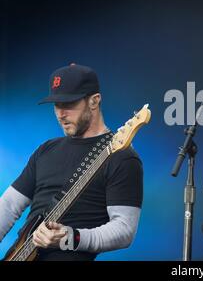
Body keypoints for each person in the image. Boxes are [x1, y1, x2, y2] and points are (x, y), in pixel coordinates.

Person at [0, 64, 143, 261]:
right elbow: (8, 206)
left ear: (94, 101)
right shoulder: (46, 150)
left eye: (68, 104)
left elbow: (124, 230)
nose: (60, 113)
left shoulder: (122, 156)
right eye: (56, 105)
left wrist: (71, 237)